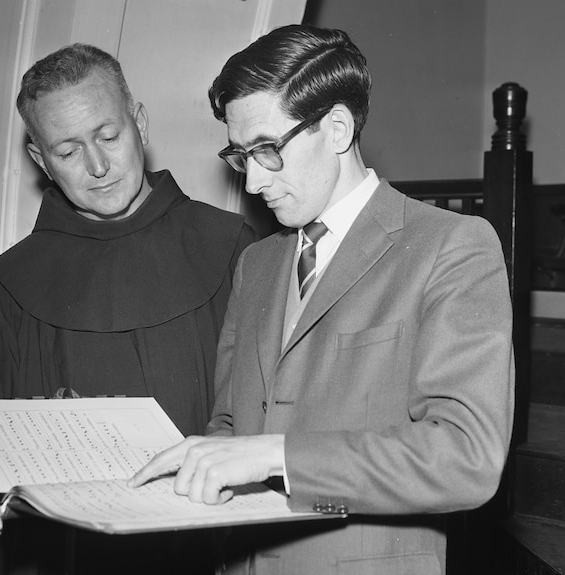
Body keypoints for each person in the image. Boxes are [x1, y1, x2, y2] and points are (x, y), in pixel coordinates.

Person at [128, 24, 515, 574]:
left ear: (336, 127)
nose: (255, 182)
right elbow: (230, 425)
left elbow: (466, 457)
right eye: (241, 156)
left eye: (267, 150)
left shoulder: (450, 247)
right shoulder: (256, 265)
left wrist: (272, 455)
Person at [0, 43, 255, 574]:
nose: (98, 167)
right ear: (41, 160)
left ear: (139, 124)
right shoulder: (12, 285)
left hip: (210, 552)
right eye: (69, 151)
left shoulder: (234, 247)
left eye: (108, 136)